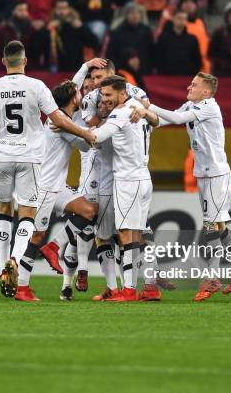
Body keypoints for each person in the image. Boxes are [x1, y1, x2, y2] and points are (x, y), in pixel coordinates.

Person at [0, 41, 95, 300]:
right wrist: (84, 132)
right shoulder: (36, 86)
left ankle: (3, 268)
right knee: (27, 215)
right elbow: (57, 119)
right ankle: (14, 258)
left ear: (3, 62)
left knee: (4, 209)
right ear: (25, 61)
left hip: (1, 156)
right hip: (29, 159)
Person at [131, 72, 231, 301]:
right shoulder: (190, 104)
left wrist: (148, 107)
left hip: (216, 174)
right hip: (205, 174)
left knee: (210, 227)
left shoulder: (209, 107)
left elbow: (176, 120)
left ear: (206, 91)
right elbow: (166, 120)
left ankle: (213, 277)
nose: (188, 87)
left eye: (194, 85)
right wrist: (146, 116)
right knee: (218, 225)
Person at [20, 79, 97, 302]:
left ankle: (54, 246)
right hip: (44, 186)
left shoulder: (63, 120)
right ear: (74, 98)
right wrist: (94, 129)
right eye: (79, 92)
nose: (82, 93)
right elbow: (85, 144)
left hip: (57, 186)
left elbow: (81, 140)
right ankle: (22, 287)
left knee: (89, 211)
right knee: (36, 236)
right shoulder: (60, 121)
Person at [90, 75, 153, 302]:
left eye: (108, 95)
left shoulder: (121, 111)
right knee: (136, 233)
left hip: (128, 179)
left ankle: (128, 290)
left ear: (122, 94)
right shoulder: (137, 106)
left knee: (126, 233)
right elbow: (157, 119)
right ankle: (148, 287)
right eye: (102, 95)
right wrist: (148, 112)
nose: (105, 99)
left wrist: (69, 128)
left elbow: (98, 135)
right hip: (144, 177)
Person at [0, 0, 48, 71]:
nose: (24, 13)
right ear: (13, 11)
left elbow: (36, 54)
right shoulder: (2, 30)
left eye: (25, 10)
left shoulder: (32, 29)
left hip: (29, 71)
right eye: (20, 10)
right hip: (6, 70)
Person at [48, 0, 99, 72]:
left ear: (69, 9)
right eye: (59, 8)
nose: (62, 11)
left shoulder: (77, 25)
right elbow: (36, 49)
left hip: (76, 68)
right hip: (54, 69)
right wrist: (47, 31)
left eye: (64, 8)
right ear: (54, 10)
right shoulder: (50, 25)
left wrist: (81, 28)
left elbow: (94, 43)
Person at [106, 2, 155, 74]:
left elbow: (151, 51)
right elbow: (111, 54)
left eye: (137, 13)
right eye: (132, 13)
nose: (135, 16)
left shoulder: (146, 31)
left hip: (144, 70)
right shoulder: (117, 32)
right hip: (123, 71)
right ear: (126, 15)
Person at [155, 9, 202, 76]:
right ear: (173, 19)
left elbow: (197, 60)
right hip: (166, 77)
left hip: (187, 77)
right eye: (179, 18)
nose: (182, 21)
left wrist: (192, 73)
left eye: (185, 19)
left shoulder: (192, 39)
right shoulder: (163, 38)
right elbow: (158, 56)